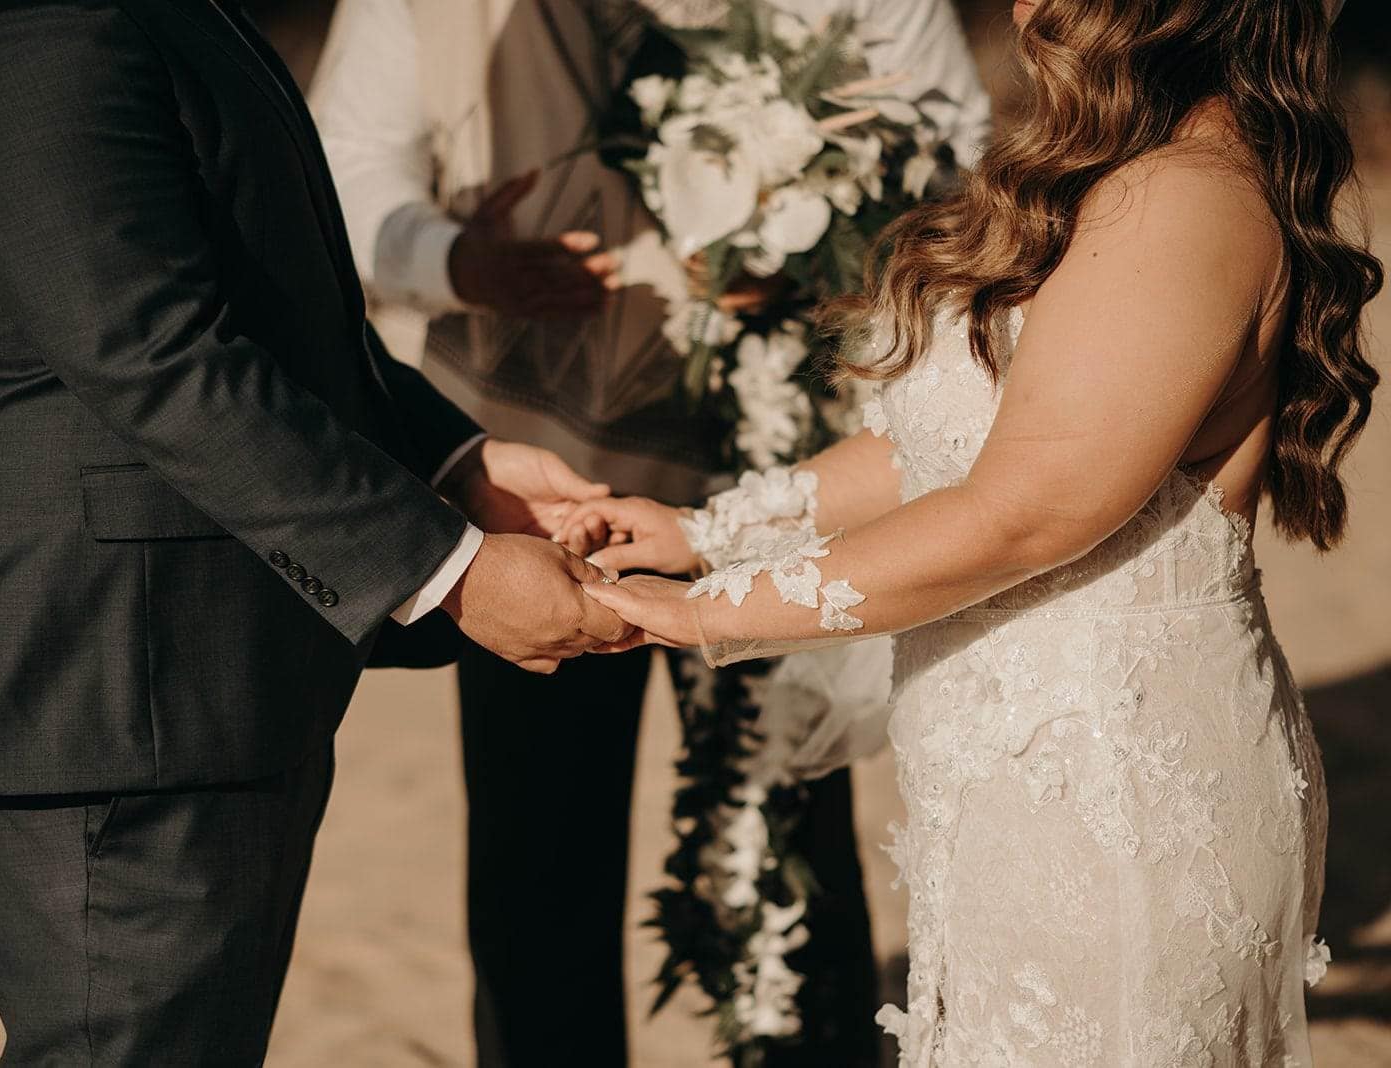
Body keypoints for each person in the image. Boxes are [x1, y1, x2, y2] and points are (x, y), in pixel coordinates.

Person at [561, 0, 1377, 1061]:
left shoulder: (1183, 196)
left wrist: (698, 615)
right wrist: (707, 530)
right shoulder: (1115, 167)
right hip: (1019, 790)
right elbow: (954, 446)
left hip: (1114, 788)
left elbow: (1023, 511)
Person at [0, 0, 631, 1060]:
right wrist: (445, 569)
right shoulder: (22, 26)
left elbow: (274, 314)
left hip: (207, 677)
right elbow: (156, 357)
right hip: (109, 695)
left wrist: (461, 461)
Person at [310, 2, 989, 1064]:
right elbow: (341, 170)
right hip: (539, 494)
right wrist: (455, 261)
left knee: (789, 845)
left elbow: (959, 156)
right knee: (539, 859)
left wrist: (832, 245)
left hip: (785, 476)